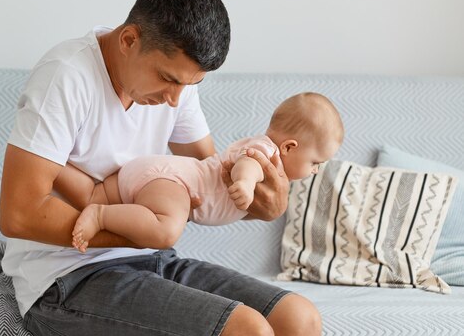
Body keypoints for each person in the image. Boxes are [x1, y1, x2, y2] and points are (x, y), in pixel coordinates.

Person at [0, 0, 322, 336]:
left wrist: (259, 205)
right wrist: (142, 232)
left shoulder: (179, 86)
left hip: (148, 262)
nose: (175, 98)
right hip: (62, 280)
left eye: (190, 85)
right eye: (168, 78)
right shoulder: (65, 76)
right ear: (129, 40)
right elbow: (18, 214)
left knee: (299, 321)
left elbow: (209, 179)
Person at [65, 92, 344, 252]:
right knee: (165, 230)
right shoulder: (267, 152)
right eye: (315, 162)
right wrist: (245, 184)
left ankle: (57, 164)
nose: (316, 170)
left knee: (93, 193)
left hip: (154, 174)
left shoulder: (267, 151)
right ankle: (101, 215)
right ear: (289, 147)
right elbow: (249, 166)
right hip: (173, 182)